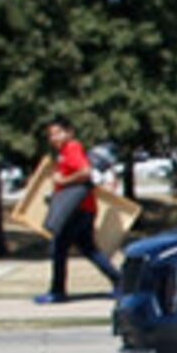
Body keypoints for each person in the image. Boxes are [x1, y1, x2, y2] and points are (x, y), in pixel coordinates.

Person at [34, 119, 122, 304]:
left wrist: (62, 181)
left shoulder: (72, 148)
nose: (54, 138)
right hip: (83, 209)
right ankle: (120, 282)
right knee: (89, 250)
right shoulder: (65, 152)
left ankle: (57, 292)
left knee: (59, 248)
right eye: (51, 135)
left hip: (76, 210)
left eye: (58, 133)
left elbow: (85, 172)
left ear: (69, 133)